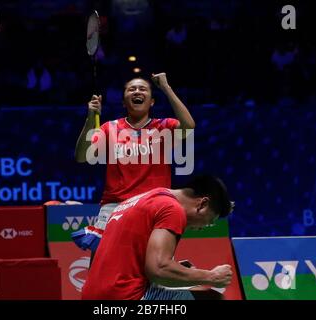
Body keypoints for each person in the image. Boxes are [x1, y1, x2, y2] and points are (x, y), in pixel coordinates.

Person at [72, 73, 195, 255]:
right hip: (115, 208)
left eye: (142, 89)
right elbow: (82, 156)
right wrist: (91, 117)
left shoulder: (164, 127)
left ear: (152, 101)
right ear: (124, 102)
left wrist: (166, 88)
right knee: (103, 263)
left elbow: (189, 127)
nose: (137, 91)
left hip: (154, 207)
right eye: (132, 89)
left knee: (151, 267)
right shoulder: (109, 128)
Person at [81, 175, 235, 300]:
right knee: (212, 299)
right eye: (208, 222)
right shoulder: (172, 209)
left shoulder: (148, 197)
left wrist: (178, 268)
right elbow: (159, 270)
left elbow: (131, 261)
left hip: (93, 295)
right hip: (124, 297)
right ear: (202, 204)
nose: (201, 228)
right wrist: (210, 276)